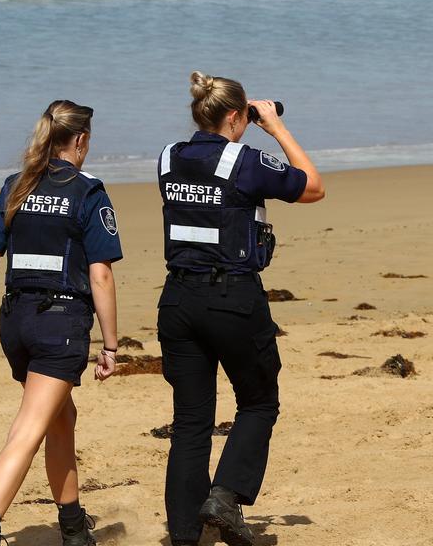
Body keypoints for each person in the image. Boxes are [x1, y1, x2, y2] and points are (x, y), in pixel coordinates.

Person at [0, 100, 123, 546]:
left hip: (15, 324)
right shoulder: (89, 190)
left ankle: (74, 527)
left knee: (61, 419)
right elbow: (100, 274)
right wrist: (111, 344)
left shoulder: (16, 185)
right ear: (79, 140)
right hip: (59, 326)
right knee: (27, 431)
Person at [156, 72, 325, 546]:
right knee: (258, 401)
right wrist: (275, 127)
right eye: (245, 117)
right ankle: (225, 496)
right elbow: (312, 187)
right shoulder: (243, 161)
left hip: (178, 299)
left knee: (191, 422)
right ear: (235, 115)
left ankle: (185, 535)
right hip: (231, 297)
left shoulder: (168, 158)